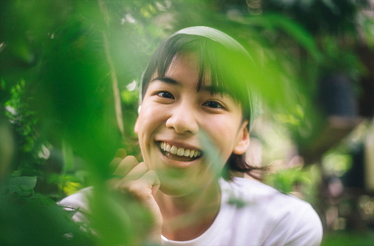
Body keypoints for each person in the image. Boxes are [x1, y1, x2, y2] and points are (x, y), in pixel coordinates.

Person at [60, 26, 323, 246]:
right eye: (165, 94)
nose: (181, 122)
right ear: (140, 118)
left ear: (242, 136)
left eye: (212, 103)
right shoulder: (74, 219)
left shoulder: (283, 226)